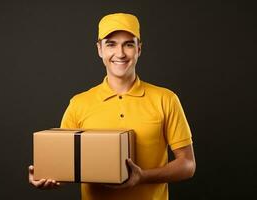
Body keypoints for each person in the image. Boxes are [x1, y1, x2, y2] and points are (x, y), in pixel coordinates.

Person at [29, 12, 196, 200]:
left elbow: (187, 165)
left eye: (129, 44)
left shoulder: (166, 99)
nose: (120, 53)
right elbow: (68, 166)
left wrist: (142, 177)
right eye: (111, 44)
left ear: (139, 49)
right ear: (99, 49)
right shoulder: (79, 103)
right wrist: (47, 177)